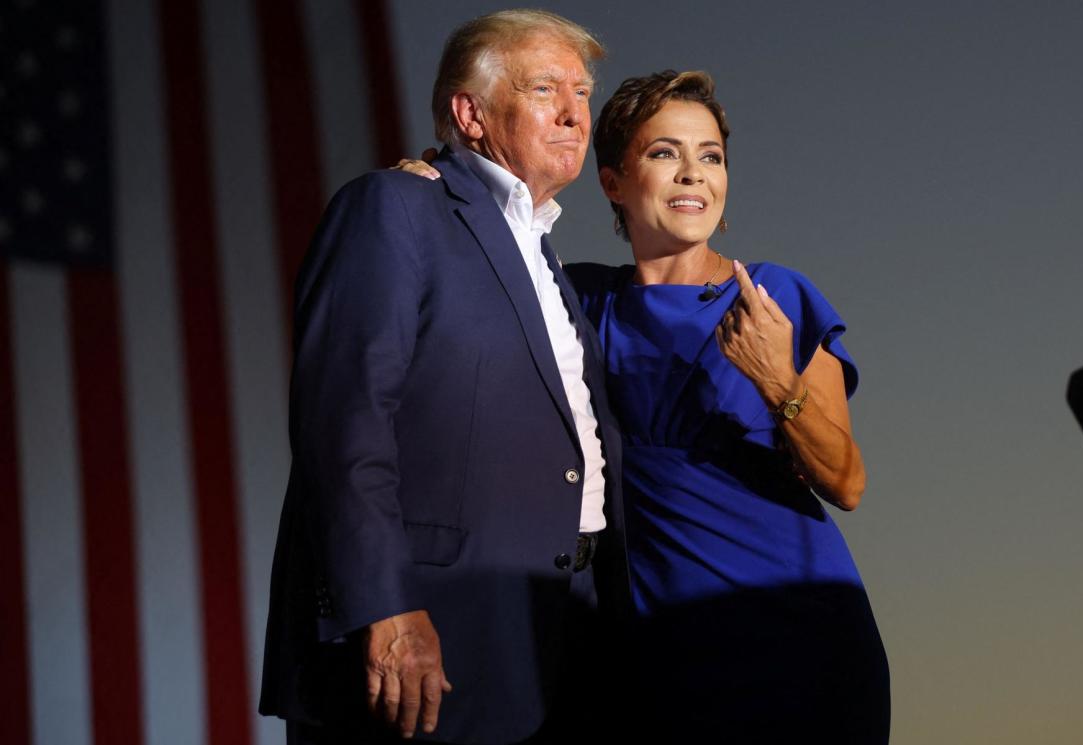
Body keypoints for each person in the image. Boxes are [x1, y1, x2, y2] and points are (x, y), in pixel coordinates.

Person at [400, 68, 889, 741]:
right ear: (612, 182)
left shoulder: (774, 296)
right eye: (665, 153)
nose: (694, 174)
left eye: (710, 157)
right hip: (657, 654)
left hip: (797, 636)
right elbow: (476, 274)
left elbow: (847, 481)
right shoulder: (581, 300)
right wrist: (433, 187)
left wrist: (778, 378)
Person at [259, 10, 630, 744]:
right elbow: (344, 422)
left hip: (567, 631)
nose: (574, 112)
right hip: (434, 636)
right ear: (471, 112)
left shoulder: (548, 258)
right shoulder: (396, 207)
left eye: (583, 93)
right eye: (545, 88)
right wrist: (383, 607)